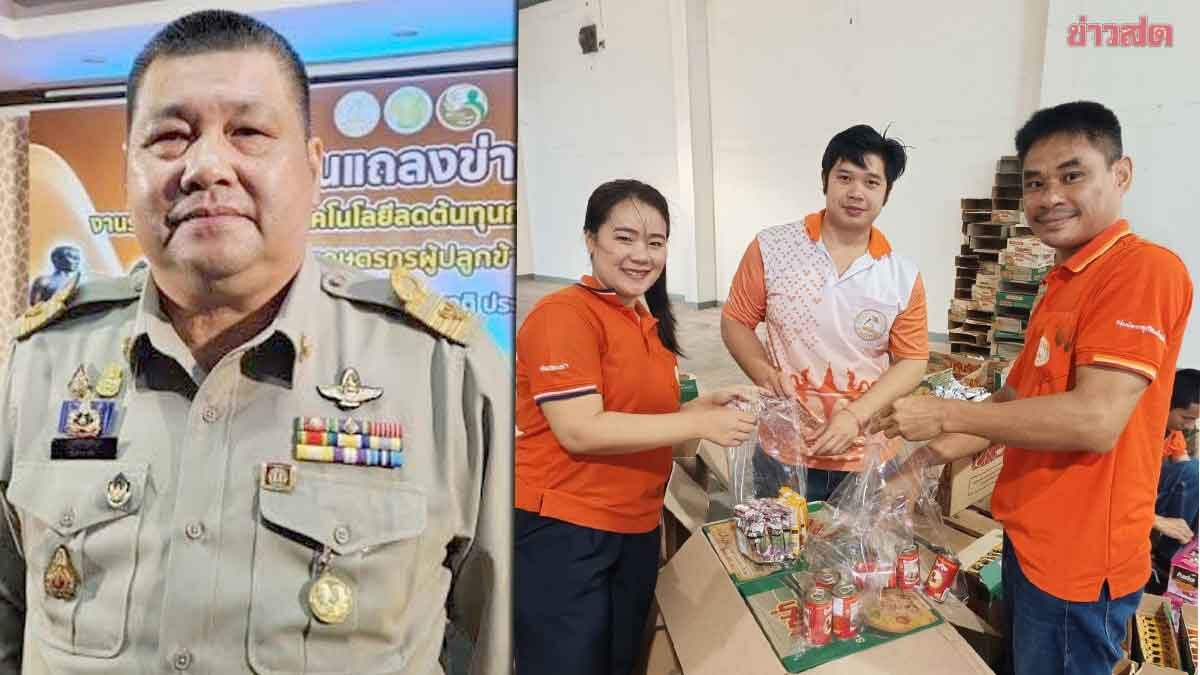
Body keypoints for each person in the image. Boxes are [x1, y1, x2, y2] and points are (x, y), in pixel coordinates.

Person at [0, 11, 509, 675]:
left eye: (248, 132)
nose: (207, 166)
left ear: (313, 168)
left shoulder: (444, 371)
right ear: (128, 170)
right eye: (170, 136)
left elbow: (497, 640)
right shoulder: (37, 363)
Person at [878, 101, 1193, 675]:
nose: (1050, 198)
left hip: (1079, 564)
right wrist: (918, 464)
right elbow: (1009, 403)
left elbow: (1095, 421)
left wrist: (942, 413)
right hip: (1029, 539)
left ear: (1121, 174)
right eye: (1035, 183)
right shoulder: (1061, 284)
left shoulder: (1143, 270)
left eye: (1072, 176)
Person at [513, 179, 758, 675]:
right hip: (567, 529)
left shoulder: (644, 322)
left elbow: (653, 426)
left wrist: (699, 409)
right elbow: (580, 429)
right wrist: (699, 421)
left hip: (637, 527)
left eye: (655, 242)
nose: (641, 255)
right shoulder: (563, 315)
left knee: (621, 660)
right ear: (590, 239)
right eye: (624, 238)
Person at [721, 124, 929, 502]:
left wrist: (856, 415)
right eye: (844, 177)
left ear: (886, 193)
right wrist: (765, 373)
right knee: (783, 539)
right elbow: (736, 320)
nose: (856, 192)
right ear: (824, 180)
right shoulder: (772, 248)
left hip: (867, 452)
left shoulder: (901, 275)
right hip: (785, 447)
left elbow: (912, 361)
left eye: (871, 182)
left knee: (858, 541)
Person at [1150, 368, 1199, 590]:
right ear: (1165, 403)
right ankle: (1169, 558)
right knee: (1193, 471)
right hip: (1136, 496)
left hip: (1151, 492)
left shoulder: (1173, 432)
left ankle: (1190, 557)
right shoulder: (1143, 429)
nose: (1191, 426)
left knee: (1194, 473)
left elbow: (1187, 469)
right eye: (1187, 418)